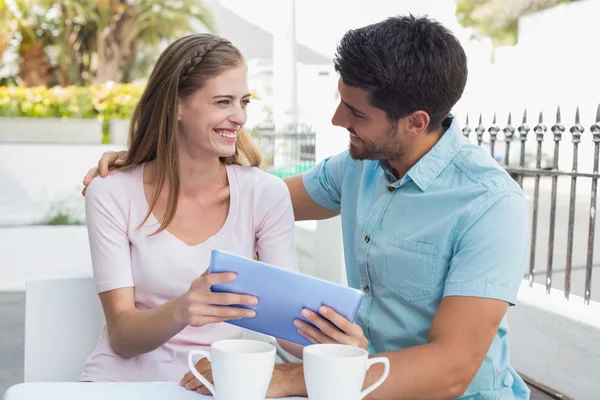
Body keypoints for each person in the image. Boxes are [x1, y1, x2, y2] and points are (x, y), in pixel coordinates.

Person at [83, 16, 531, 399]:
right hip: (347, 377)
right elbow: (245, 198)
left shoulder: (489, 204)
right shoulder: (361, 166)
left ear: (415, 123)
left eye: (356, 113)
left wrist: (296, 376)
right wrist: (147, 165)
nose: (338, 120)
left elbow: (453, 369)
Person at [79, 33, 364, 384]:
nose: (239, 117)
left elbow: (286, 325)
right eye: (222, 102)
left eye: (243, 101)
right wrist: (183, 309)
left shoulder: (265, 194)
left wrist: (339, 345)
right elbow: (122, 337)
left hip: (217, 383)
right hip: (121, 386)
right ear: (176, 106)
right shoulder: (111, 192)